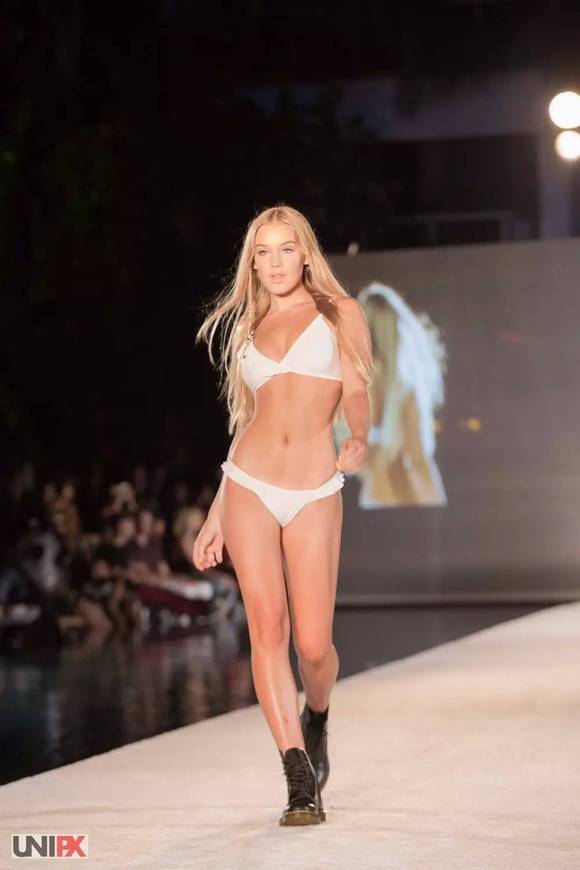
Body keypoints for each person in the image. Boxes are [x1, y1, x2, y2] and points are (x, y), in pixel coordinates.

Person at [193, 204, 374, 827]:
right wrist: (216, 509)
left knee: (313, 646)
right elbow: (247, 421)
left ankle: (316, 715)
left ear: (305, 254)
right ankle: (298, 779)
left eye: (285, 249)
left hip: (314, 488)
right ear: (252, 263)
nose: (274, 262)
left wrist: (358, 435)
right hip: (247, 485)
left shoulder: (339, 312)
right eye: (262, 252)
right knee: (266, 630)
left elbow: (357, 388)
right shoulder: (249, 324)